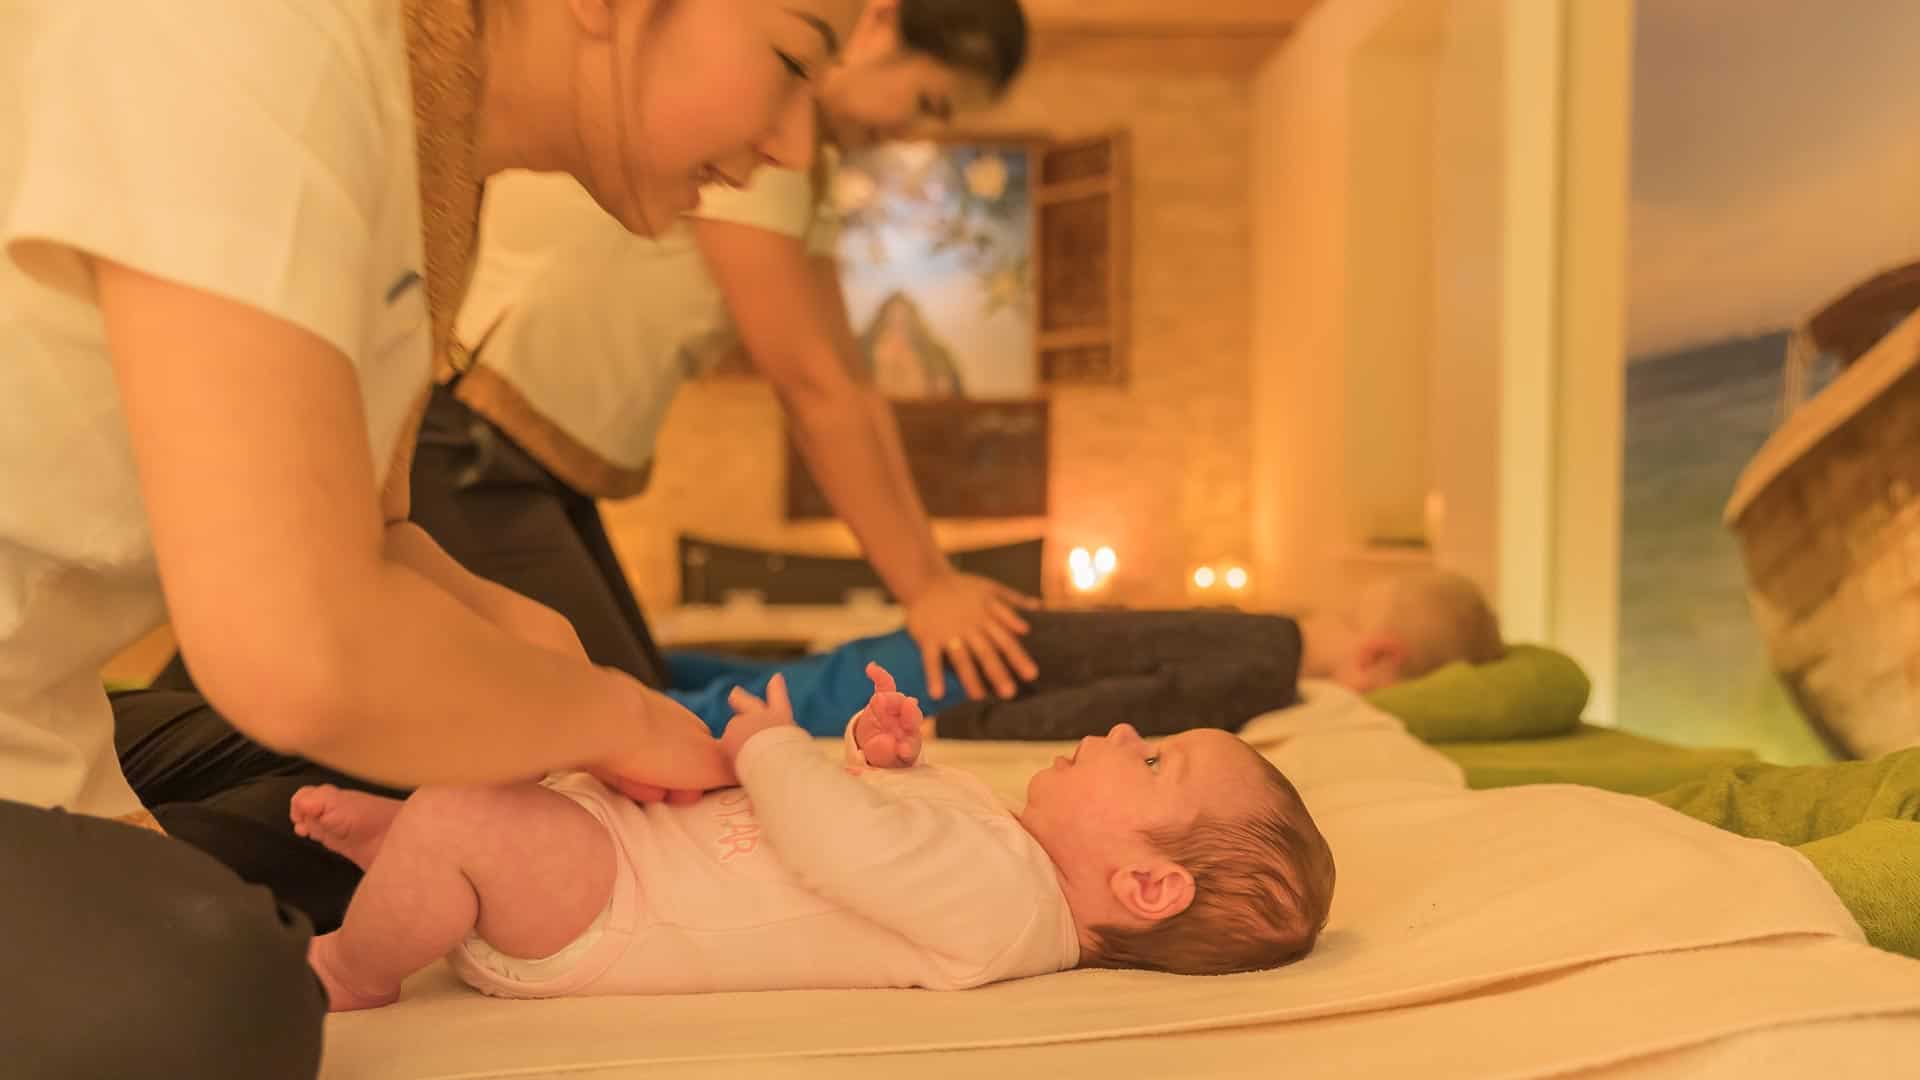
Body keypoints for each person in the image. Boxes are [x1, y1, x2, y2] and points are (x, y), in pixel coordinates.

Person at [2, 1, 862, 1074]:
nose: (793, 143)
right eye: (791, 60)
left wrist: (534, 658)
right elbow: (299, 651)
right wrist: (607, 714)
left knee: (453, 787)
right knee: (222, 992)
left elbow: (369, 532)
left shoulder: (425, 144)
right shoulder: (260, 33)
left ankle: (120, 883)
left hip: (45, 724)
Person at [404, 0, 1036, 705]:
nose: (909, 131)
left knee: (644, 698)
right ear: (879, 23)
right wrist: (927, 590)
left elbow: (848, 382)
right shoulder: (745, 136)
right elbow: (811, 381)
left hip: (526, 459)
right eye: (925, 101)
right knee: (625, 720)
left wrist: (934, 580)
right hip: (472, 439)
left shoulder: (801, 166)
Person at [295, 665, 1336, 1010]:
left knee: (470, 822)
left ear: (1147, 887)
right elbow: (884, 827)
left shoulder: (1012, 911)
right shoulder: (1004, 845)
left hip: (613, 913)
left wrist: (773, 750)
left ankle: (357, 961)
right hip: (633, 847)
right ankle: (417, 856)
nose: (1119, 731)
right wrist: (882, 759)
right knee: (526, 751)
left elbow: (853, 853)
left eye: (1151, 762)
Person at [664, 568, 1506, 740]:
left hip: (954, 673)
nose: (1323, 604)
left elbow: (1121, 705)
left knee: (745, 692)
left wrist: (976, 719)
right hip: (953, 661)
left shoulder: (1262, 661)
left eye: (1347, 608)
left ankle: (614, 685)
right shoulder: (1262, 651)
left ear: (1375, 659)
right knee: (746, 698)